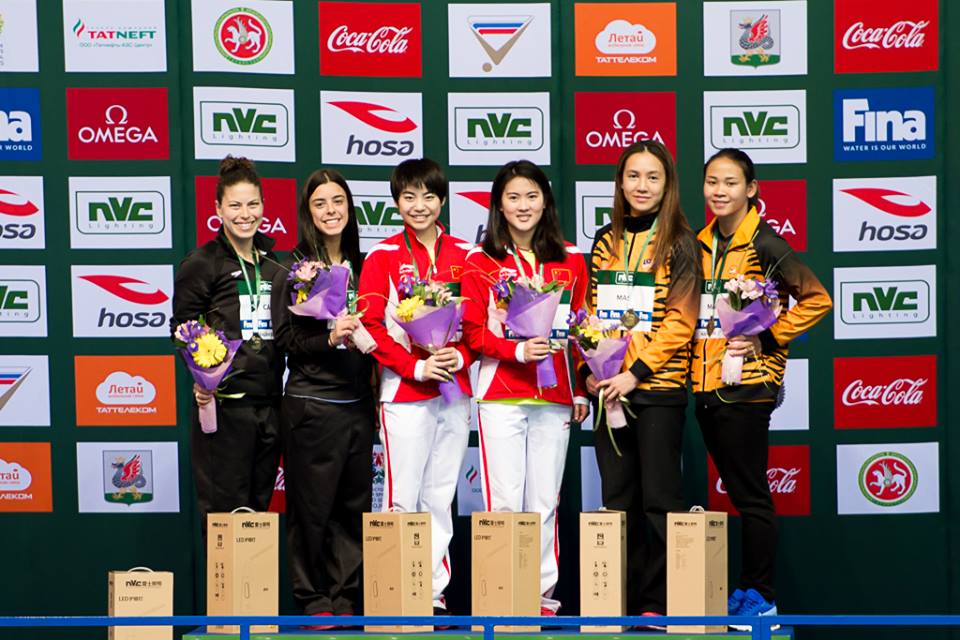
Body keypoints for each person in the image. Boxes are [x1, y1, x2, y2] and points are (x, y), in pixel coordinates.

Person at [692, 148, 831, 626]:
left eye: (731, 183)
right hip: (706, 384)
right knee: (740, 490)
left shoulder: (767, 243)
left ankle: (763, 594)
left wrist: (768, 337)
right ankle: (747, 589)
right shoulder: (699, 241)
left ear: (750, 190)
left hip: (750, 386)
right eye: (712, 182)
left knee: (751, 495)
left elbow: (817, 299)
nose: (720, 191)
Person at [460, 160, 589, 616]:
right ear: (498, 204)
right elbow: (472, 332)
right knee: (504, 499)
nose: (523, 206)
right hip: (501, 392)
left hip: (554, 398)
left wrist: (580, 390)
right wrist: (515, 352)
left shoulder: (571, 258)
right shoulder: (480, 260)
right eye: (513, 197)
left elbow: (581, 330)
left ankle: (541, 598)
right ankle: (502, 595)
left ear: (546, 202)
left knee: (544, 501)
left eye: (532, 196)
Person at [582, 140, 701, 622]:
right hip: (609, 389)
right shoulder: (605, 240)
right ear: (620, 182)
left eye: (653, 177)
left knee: (659, 500)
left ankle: (657, 604)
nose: (642, 186)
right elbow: (590, 311)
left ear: (667, 184)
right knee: (616, 502)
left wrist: (636, 373)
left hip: (657, 390)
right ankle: (616, 603)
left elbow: (682, 321)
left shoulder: (680, 242)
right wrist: (594, 370)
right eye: (634, 176)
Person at [357, 158, 474, 615]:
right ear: (396, 202)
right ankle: (397, 595)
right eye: (409, 197)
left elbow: (482, 322)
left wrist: (458, 356)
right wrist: (413, 367)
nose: (419, 205)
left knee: (440, 495)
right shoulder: (382, 256)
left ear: (442, 200)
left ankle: (432, 594)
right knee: (401, 496)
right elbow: (369, 328)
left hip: (454, 390)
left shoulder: (466, 254)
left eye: (428, 196)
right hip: (404, 392)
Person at [271, 169, 375, 625]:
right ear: (307, 212)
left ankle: (345, 595)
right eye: (320, 203)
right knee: (311, 511)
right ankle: (313, 599)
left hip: (358, 406)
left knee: (353, 510)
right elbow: (287, 339)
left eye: (338, 201)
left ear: (349, 208)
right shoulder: (295, 267)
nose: (331, 210)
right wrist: (330, 337)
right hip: (312, 404)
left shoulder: (368, 263)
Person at [171, 155, 283, 531]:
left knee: (257, 518)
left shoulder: (274, 265)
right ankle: (225, 592)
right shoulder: (201, 263)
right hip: (224, 409)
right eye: (234, 205)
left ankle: (253, 593)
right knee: (224, 518)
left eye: (252, 204)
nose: (244, 214)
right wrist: (203, 381)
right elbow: (182, 330)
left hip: (269, 405)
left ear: (264, 207)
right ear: (217, 208)